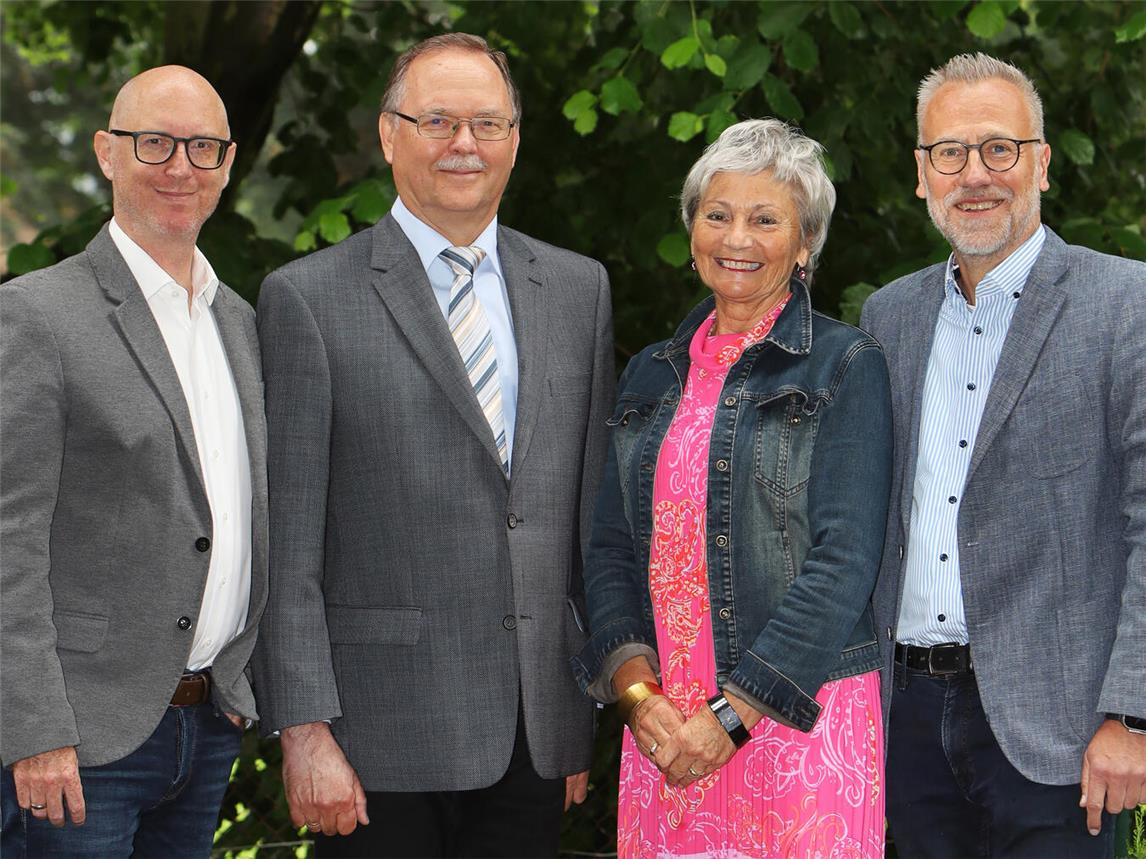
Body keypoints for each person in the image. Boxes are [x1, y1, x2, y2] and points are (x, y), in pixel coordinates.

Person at [251, 33, 615, 858]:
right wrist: (304, 729)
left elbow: (583, 521)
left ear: (516, 141)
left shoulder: (577, 290)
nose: (464, 144)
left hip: (531, 732)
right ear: (388, 135)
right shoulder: (307, 300)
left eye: (488, 123)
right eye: (438, 121)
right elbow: (289, 545)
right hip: (375, 740)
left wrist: (571, 715)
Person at [572, 118, 893, 857]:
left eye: (765, 218)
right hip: (667, 728)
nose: (736, 237)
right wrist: (637, 696)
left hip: (794, 717)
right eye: (717, 214)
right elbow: (610, 550)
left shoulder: (845, 365)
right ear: (691, 232)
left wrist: (733, 714)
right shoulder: (650, 372)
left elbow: (844, 563)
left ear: (804, 243)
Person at [860, 52, 1146, 857]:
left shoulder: (1126, 306)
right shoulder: (890, 318)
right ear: (921, 174)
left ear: (1042, 162)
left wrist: (1132, 714)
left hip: (1065, 730)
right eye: (949, 152)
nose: (974, 173)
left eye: (999, 148)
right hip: (907, 720)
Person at [0, 66, 267, 857]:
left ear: (227, 163)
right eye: (154, 143)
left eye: (202, 147)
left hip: (206, 727)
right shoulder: (38, 314)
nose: (180, 167)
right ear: (106, 153)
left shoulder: (240, 323)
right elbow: (7, 540)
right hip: (79, 744)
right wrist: (35, 729)